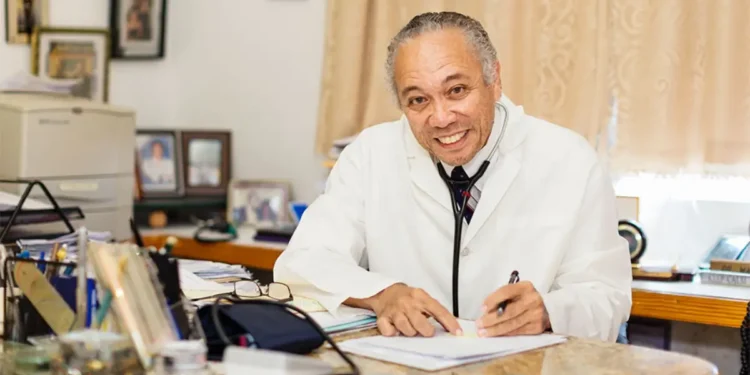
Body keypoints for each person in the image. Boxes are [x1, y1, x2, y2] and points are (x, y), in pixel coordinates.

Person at [274, 11, 632, 342]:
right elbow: (304, 261)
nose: (441, 117)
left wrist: (550, 312)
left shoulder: (569, 159)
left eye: (456, 90)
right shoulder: (369, 154)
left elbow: (607, 296)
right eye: (418, 100)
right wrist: (383, 294)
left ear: (495, 80)